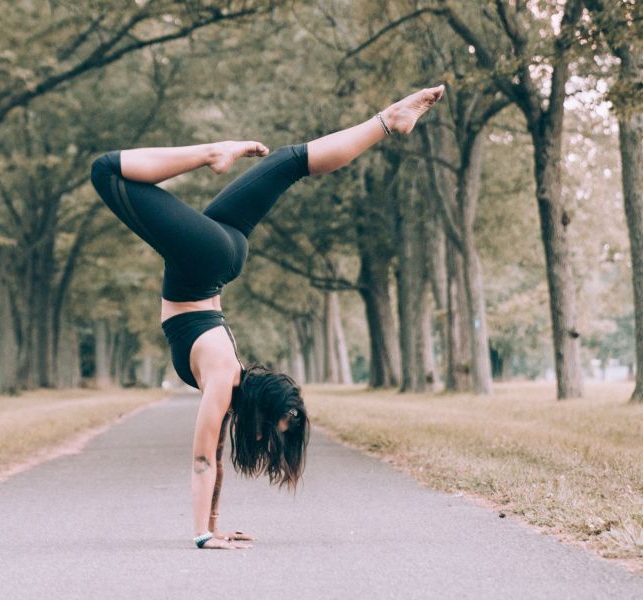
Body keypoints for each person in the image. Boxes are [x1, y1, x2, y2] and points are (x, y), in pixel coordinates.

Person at [90, 85, 444, 550]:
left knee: (293, 161)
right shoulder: (221, 378)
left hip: (222, 251)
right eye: (267, 426)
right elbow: (201, 461)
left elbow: (212, 456)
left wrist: (213, 526)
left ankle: (388, 120)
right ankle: (211, 152)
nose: (258, 434)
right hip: (204, 261)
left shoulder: (227, 382)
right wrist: (200, 536)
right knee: (105, 170)